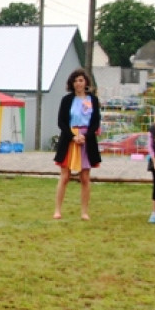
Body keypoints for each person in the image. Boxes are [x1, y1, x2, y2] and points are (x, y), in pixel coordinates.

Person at [53, 68, 102, 221]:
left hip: (87, 140)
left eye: (81, 80)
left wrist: (85, 136)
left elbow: (95, 122)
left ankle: (84, 212)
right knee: (65, 176)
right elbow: (61, 122)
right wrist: (73, 136)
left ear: (86, 82)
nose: (78, 83)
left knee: (85, 178)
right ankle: (57, 210)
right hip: (69, 138)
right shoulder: (66, 100)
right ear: (72, 84)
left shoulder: (93, 100)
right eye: (75, 81)